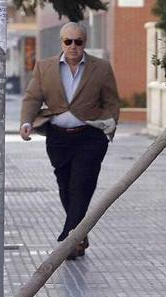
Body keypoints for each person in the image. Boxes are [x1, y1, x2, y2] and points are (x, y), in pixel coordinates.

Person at [20, 22, 121, 259]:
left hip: (90, 137)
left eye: (79, 42)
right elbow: (32, 98)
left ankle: (68, 236)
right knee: (65, 187)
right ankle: (79, 236)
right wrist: (26, 122)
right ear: (61, 42)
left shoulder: (101, 68)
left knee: (81, 185)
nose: (73, 47)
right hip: (58, 139)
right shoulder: (45, 67)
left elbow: (111, 101)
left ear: (85, 43)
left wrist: (110, 125)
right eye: (68, 41)